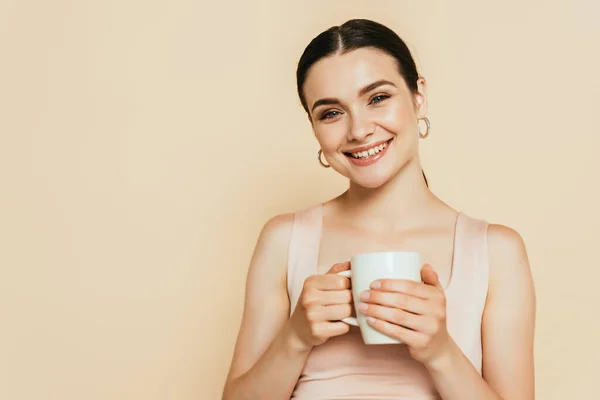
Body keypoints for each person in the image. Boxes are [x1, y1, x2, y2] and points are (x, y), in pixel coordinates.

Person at [222, 18, 536, 400]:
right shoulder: (283, 240)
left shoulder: (496, 251)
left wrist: (440, 351)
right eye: (331, 113)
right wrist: (296, 336)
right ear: (314, 127)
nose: (358, 130)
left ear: (418, 96)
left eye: (377, 98)